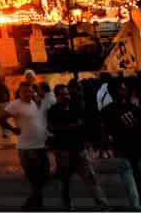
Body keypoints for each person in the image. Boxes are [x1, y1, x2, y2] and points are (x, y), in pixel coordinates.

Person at [46, 81, 108, 211]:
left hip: (80, 152)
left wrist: (89, 145)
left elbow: (84, 127)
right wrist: (72, 127)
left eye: (67, 93)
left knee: (91, 180)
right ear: (57, 97)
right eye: (63, 94)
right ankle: (67, 205)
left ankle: (103, 206)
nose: (67, 96)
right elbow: (52, 128)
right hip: (64, 154)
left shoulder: (76, 108)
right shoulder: (53, 111)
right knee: (65, 183)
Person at [98, 78, 141, 212]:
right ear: (114, 92)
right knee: (131, 186)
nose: (125, 90)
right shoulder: (108, 110)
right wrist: (106, 146)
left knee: (140, 182)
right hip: (122, 152)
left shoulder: (133, 107)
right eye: (121, 88)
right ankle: (137, 208)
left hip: (138, 150)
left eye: (125, 88)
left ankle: (140, 206)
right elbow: (104, 130)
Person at [4, 81, 51, 211]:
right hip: (27, 148)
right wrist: (12, 129)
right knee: (36, 180)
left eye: (30, 91)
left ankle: (32, 205)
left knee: (44, 177)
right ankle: (34, 206)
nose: (27, 94)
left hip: (40, 146)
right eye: (24, 91)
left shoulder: (34, 103)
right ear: (19, 92)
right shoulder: (15, 105)